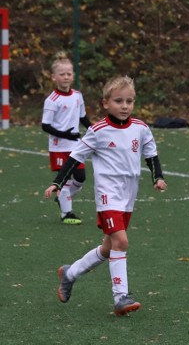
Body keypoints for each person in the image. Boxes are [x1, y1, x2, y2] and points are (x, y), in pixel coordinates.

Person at [43, 75, 167, 316]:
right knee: (121, 241)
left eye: (129, 101)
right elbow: (75, 157)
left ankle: (70, 273)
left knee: (109, 248)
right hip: (107, 196)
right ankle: (121, 297)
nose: (124, 106)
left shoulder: (141, 128)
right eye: (119, 101)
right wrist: (58, 182)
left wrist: (157, 178)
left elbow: (151, 155)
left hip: (128, 197)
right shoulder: (98, 131)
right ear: (105, 103)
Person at [41, 53, 92, 224]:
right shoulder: (52, 100)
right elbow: (45, 125)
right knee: (66, 178)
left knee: (80, 177)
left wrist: (94, 130)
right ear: (54, 77)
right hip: (59, 146)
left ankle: (63, 197)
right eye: (62, 74)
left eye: (69, 73)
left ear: (73, 75)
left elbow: (83, 117)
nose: (66, 77)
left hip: (75, 144)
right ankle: (66, 214)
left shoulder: (77, 95)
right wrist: (66, 134)